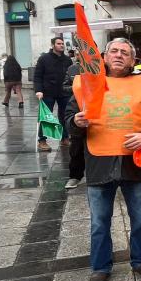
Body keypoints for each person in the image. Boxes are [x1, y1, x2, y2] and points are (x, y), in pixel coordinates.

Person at [65, 38, 141, 281]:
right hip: (99, 163)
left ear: (133, 60)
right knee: (99, 221)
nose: (119, 55)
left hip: (135, 164)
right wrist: (75, 123)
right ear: (104, 57)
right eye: (114, 51)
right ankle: (101, 267)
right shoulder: (86, 84)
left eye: (125, 52)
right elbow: (68, 120)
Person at [34, 36, 73, 151]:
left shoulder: (67, 60)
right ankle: (42, 140)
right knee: (45, 116)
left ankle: (64, 138)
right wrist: (38, 90)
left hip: (64, 92)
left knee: (65, 115)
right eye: (59, 43)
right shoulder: (44, 59)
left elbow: (70, 76)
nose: (61, 45)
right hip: (47, 92)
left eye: (62, 44)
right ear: (53, 45)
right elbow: (37, 76)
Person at [62, 61, 85, 189]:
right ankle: (75, 176)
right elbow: (64, 87)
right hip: (78, 107)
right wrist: (78, 87)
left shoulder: (104, 68)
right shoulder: (72, 69)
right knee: (76, 147)